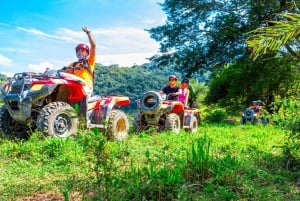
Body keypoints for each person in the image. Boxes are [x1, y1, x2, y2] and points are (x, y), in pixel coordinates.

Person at [63, 26, 96, 97]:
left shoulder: (89, 61)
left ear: (87, 53)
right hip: (75, 87)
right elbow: (65, 74)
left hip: (86, 87)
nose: (79, 52)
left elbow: (93, 46)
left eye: (82, 50)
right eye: (78, 51)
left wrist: (88, 32)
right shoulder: (73, 64)